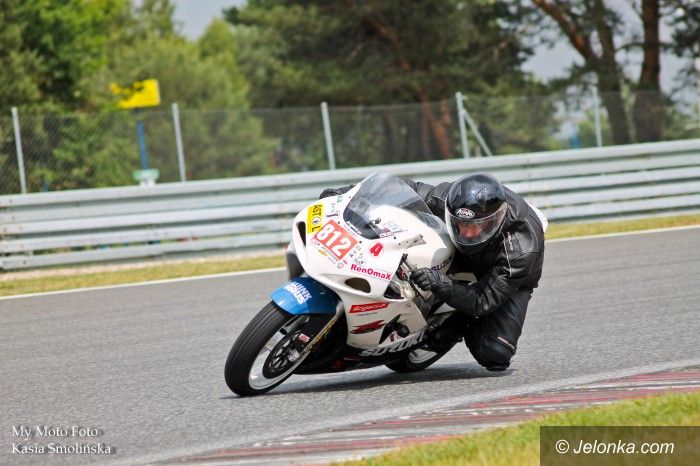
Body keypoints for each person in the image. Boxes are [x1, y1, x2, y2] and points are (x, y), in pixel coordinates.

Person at [321, 173, 547, 371]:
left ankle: (457, 322)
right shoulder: (452, 200)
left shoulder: (521, 249)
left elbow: (483, 300)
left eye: (474, 226)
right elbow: (408, 189)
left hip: (504, 278)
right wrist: (347, 195)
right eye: (461, 224)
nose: (467, 233)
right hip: (462, 254)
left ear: (494, 222)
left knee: (494, 352)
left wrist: (441, 284)